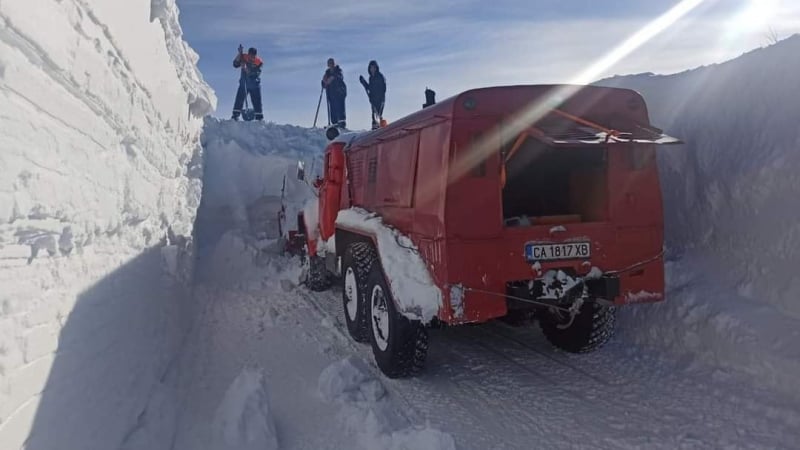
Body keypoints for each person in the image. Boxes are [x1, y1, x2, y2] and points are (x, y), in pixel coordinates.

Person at [232, 45, 263, 121]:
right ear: (248, 54)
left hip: (255, 85)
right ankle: (235, 115)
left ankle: (259, 117)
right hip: (244, 84)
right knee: (239, 99)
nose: (251, 58)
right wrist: (239, 54)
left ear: (255, 56)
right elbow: (235, 64)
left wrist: (246, 69)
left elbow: (255, 74)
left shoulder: (259, 63)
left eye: (253, 56)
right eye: (250, 56)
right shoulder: (244, 58)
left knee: (257, 101)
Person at [359, 60, 386, 130]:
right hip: (373, 99)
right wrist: (363, 82)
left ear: (376, 68)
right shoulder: (371, 78)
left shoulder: (380, 77)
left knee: (378, 114)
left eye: (373, 67)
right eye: (371, 68)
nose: (372, 69)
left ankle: (381, 127)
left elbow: (383, 89)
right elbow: (369, 88)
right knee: (374, 114)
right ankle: (375, 128)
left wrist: (380, 98)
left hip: (380, 99)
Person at [321, 58, 347, 127]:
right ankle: (334, 124)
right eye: (329, 64)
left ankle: (342, 123)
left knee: (340, 108)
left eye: (332, 63)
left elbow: (340, 77)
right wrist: (324, 82)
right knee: (333, 110)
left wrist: (332, 78)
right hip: (331, 95)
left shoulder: (338, 71)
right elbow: (324, 84)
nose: (331, 65)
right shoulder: (327, 74)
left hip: (339, 93)